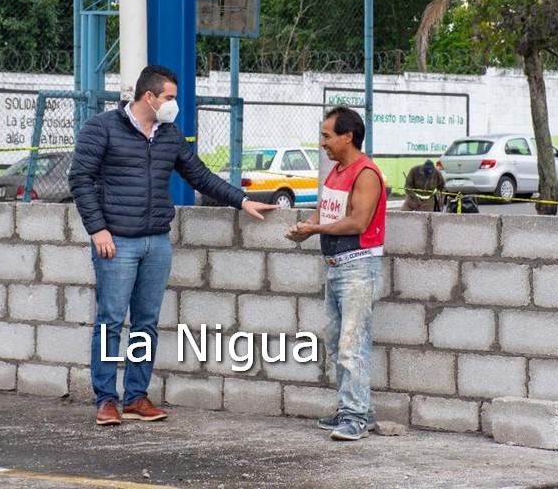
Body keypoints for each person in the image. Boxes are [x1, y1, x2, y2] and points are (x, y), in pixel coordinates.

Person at [69, 64, 277, 426]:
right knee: (111, 322)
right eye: (169, 98)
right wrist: (97, 229)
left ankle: (135, 397)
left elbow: (200, 175)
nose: (173, 105)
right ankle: (106, 399)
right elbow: (80, 179)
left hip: (156, 243)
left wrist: (242, 200)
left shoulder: (169, 135)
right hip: (115, 242)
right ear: (149, 97)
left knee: (146, 323)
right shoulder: (101, 128)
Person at [285, 106, 386, 441]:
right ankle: (354, 411)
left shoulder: (365, 173)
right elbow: (324, 211)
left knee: (351, 344)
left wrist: (315, 229)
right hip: (337, 268)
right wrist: (309, 228)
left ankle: (355, 417)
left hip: (358, 267)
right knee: (336, 342)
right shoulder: (336, 171)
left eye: (328, 135)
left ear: (348, 136)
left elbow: (358, 222)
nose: (323, 142)